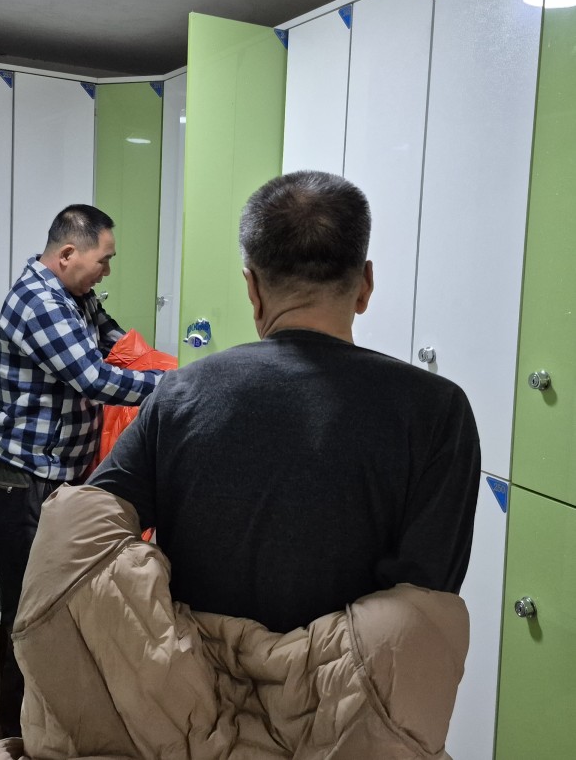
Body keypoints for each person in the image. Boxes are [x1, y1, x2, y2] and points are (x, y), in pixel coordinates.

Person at [88, 169, 480, 633]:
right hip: (354, 680)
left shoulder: (180, 394)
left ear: (252, 289)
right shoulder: (438, 412)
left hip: (195, 676)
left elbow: (87, 532)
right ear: (365, 285)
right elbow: (425, 600)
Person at [0, 203, 164, 738]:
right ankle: (17, 731)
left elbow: (116, 347)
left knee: (62, 603)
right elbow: (94, 380)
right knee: (26, 609)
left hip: (60, 477)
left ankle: (58, 721)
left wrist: (155, 365)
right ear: (67, 254)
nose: (106, 271)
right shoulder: (38, 302)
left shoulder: (76, 297)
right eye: (103, 260)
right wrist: (177, 386)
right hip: (23, 482)